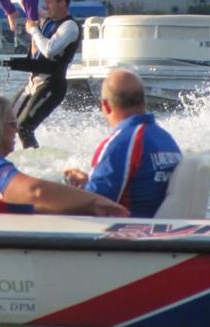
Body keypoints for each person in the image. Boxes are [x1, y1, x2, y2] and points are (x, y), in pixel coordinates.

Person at [0, 93, 128, 216]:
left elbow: (33, 206)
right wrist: (97, 201)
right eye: (12, 124)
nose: (17, 129)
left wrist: (82, 200)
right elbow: (36, 192)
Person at [64, 70, 182, 217]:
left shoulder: (122, 143)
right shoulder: (165, 139)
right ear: (143, 102)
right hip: (160, 231)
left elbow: (94, 205)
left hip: (128, 233)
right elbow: (140, 185)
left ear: (106, 106)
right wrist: (88, 183)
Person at [10, 0, 81, 148]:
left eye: (49, 2)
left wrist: (34, 30)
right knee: (6, 122)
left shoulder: (70, 27)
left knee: (24, 127)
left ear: (62, 3)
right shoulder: (46, 19)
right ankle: (8, 160)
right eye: (45, 2)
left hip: (52, 85)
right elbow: (25, 2)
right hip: (33, 82)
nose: (46, 6)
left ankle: (37, 165)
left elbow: (49, 50)